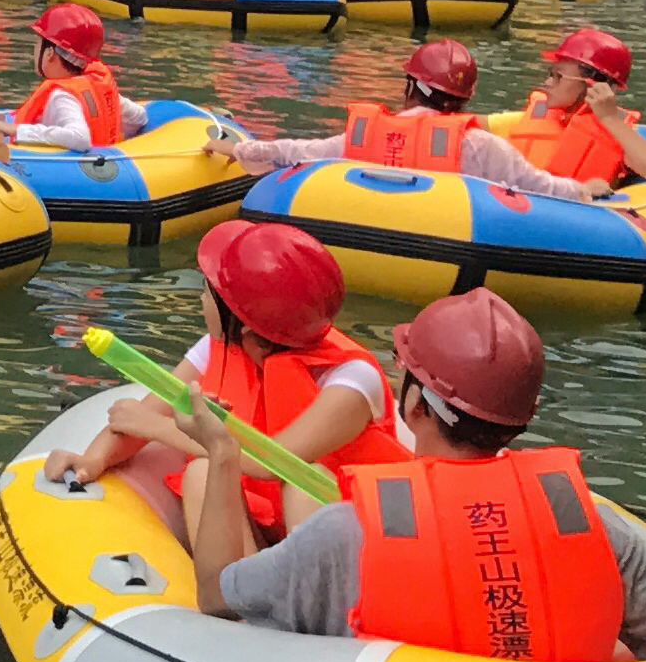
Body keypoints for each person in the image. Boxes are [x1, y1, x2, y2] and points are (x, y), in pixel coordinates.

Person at [175, 286, 646, 662]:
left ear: (412, 406)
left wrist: (223, 457)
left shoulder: (347, 533)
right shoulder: (592, 526)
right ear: (518, 421)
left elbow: (218, 600)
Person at [43, 218, 402, 533]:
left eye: (208, 293)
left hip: (352, 541)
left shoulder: (352, 379)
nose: (200, 299)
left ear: (242, 322)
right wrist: (95, 459)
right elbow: (150, 407)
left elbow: (275, 463)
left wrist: (157, 429)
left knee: (304, 485)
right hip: (264, 526)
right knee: (200, 473)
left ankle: (305, 606)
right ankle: (234, 604)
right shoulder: (218, 347)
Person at [222, 39, 613, 201]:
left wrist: (237, 147)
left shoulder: (366, 135)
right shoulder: (481, 146)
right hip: (459, 241)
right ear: (464, 97)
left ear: (410, 84)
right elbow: (542, 189)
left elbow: (294, 152)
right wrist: (587, 190)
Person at [493, 27, 646, 187]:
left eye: (558, 76)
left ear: (593, 85)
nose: (547, 83)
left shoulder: (617, 132)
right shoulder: (539, 112)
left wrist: (609, 118)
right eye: (550, 74)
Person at [3, 0, 148, 152]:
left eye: (38, 43)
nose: (35, 49)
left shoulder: (62, 96)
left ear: (50, 53)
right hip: (103, 160)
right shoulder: (97, 86)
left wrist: (18, 131)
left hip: (74, 172)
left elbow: (80, 138)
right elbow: (139, 117)